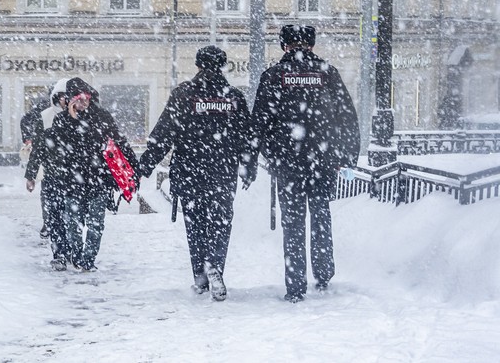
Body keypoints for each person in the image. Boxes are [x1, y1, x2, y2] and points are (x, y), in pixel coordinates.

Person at [137, 46, 257, 302]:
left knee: (196, 226)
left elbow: (163, 134)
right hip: (222, 173)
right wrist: (249, 167)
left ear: (198, 65)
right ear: (223, 66)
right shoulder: (233, 97)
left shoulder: (184, 94)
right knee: (220, 223)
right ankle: (215, 265)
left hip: (189, 173)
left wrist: (144, 165)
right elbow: (247, 138)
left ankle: (201, 277)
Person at [251, 25, 360, 303]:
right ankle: (323, 273)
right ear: (311, 44)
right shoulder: (328, 73)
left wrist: (270, 156)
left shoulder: (274, 76)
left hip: (288, 165)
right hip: (322, 161)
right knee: (321, 215)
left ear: (283, 45)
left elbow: (259, 124)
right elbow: (346, 117)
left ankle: (295, 284)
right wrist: (346, 155)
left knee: (293, 223)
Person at [50, 77, 139, 271]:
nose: (83, 103)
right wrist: (71, 121)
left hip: (98, 179)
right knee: (73, 225)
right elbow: (59, 150)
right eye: (78, 99)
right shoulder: (62, 120)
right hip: (72, 181)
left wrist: (135, 167)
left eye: (86, 98)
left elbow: (120, 142)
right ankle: (77, 254)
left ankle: (88, 261)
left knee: (95, 225)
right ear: (70, 100)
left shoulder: (102, 116)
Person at [25, 79, 72, 269]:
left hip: (74, 177)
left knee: (72, 217)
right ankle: (59, 253)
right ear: (57, 98)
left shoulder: (83, 117)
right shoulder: (45, 117)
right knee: (54, 217)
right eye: (63, 97)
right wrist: (31, 175)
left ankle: (69, 250)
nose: (66, 100)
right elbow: (37, 150)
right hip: (52, 176)